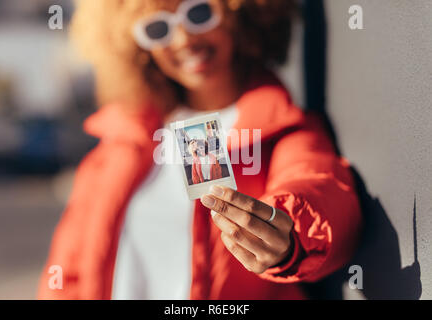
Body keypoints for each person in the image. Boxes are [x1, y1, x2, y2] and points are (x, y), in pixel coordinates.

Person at [38, 0, 362, 299]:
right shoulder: (117, 148)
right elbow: (68, 274)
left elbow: (315, 184)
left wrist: (287, 235)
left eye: (198, 13)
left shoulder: (285, 130)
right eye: (157, 28)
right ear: (136, 47)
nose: (183, 39)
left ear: (238, 13)